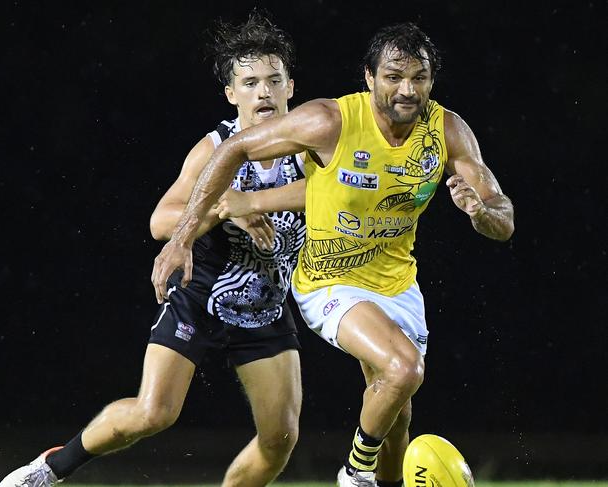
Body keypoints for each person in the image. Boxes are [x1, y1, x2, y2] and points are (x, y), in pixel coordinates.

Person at [152, 22, 515, 487]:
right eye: (393, 76)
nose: (407, 89)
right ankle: (354, 473)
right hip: (329, 280)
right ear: (369, 77)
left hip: (399, 285)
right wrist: (183, 237)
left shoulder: (447, 130)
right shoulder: (329, 121)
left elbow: (502, 217)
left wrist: (479, 211)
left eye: (419, 77)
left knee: (397, 415)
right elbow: (234, 149)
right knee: (404, 368)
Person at [0, 11, 307, 487]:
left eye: (273, 80)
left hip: (264, 308)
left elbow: (340, 196)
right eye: (249, 83)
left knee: (281, 439)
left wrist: (254, 201)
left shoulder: (313, 147)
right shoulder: (214, 149)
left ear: (291, 87)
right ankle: (52, 468)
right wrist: (225, 209)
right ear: (231, 95)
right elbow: (161, 220)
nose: (263, 92)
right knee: (153, 413)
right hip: (201, 295)